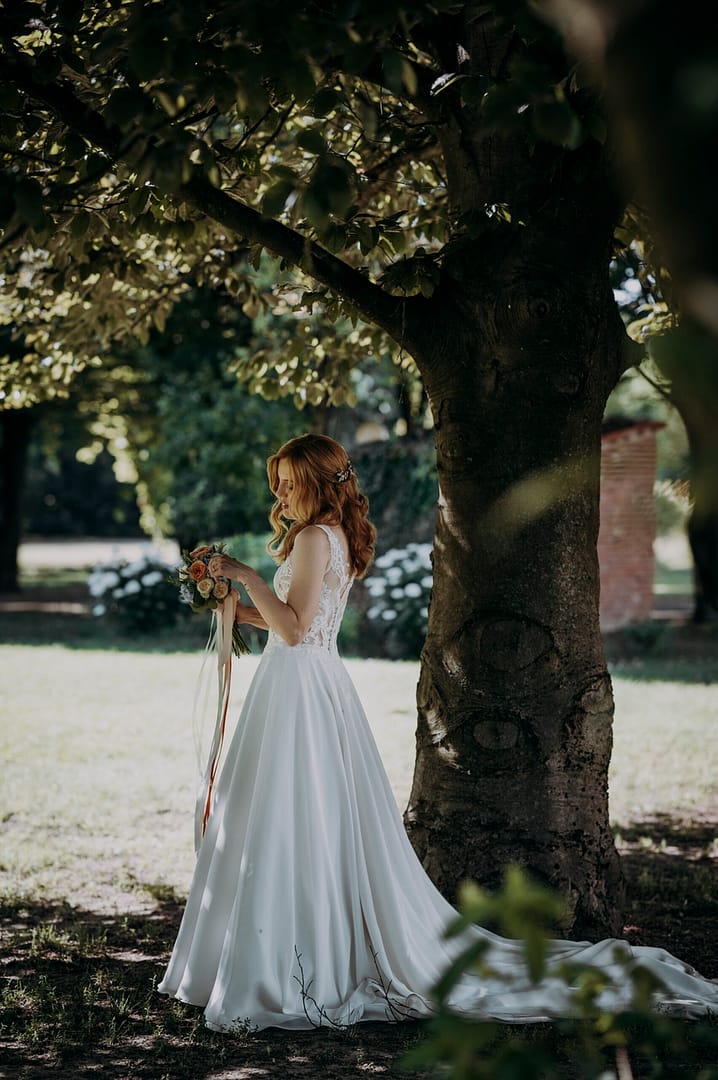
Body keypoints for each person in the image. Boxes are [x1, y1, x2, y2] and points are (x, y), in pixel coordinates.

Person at [158, 433, 718, 1032]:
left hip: (301, 690)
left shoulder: (319, 538)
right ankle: (272, 950)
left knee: (296, 816)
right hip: (301, 686)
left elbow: (294, 630)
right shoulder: (322, 536)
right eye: (280, 484)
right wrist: (223, 601)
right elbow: (288, 618)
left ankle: (292, 963)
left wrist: (243, 574)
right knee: (288, 817)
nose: (283, 494)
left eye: (293, 483)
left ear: (320, 484)